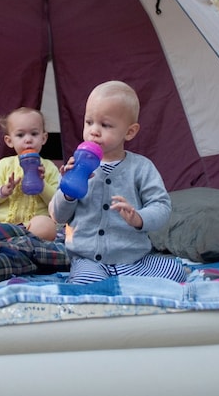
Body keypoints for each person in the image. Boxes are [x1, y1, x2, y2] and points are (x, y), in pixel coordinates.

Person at [51, 81, 186, 285]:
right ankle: (119, 286)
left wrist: (139, 218)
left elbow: (162, 206)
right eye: (89, 122)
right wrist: (67, 193)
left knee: (175, 270)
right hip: (89, 259)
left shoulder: (141, 167)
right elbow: (58, 216)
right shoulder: (75, 167)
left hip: (133, 259)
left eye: (105, 125)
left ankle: (122, 283)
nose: (94, 131)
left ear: (129, 132)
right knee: (86, 283)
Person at [0, 107, 61, 241]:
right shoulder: (5, 164)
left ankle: (25, 245)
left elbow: (57, 202)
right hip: (8, 226)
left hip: (35, 229)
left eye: (34, 134)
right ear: (9, 141)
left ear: (43, 138)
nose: (28, 140)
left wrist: (42, 186)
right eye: (20, 135)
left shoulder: (49, 167)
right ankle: (18, 246)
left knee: (47, 226)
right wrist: (4, 190)